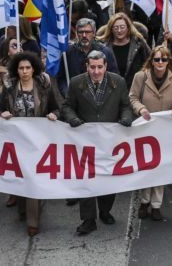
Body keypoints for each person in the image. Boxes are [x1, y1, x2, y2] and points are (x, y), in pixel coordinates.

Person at [60, 50, 133, 234]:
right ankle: (88, 220)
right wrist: (73, 119)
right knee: (86, 181)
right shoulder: (76, 83)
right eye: (92, 67)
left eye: (100, 67)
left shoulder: (119, 82)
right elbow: (67, 106)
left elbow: (125, 106)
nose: (96, 71)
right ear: (87, 66)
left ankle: (105, 210)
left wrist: (125, 119)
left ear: (105, 66)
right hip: (85, 142)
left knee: (109, 178)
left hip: (110, 141)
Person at [0, 52, 62, 236]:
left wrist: (54, 115)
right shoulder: (9, 88)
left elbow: (57, 107)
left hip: (38, 141)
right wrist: (2, 113)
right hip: (16, 140)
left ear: (33, 69)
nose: (25, 71)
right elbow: (1, 108)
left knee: (33, 178)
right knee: (20, 176)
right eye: (21, 68)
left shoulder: (43, 87)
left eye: (28, 68)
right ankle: (22, 208)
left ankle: (33, 221)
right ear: (16, 70)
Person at [129, 45, 172, 221]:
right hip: (146, 128)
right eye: (157, 59)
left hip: (165, 130)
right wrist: (141, 109)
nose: (160, 62)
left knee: (161, 167)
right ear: (151, 61)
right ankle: (144, 201)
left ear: (169, 62)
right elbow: (133, 97)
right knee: (147, 166)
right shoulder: (140, 76)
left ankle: (156, 205)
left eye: (164, 59)